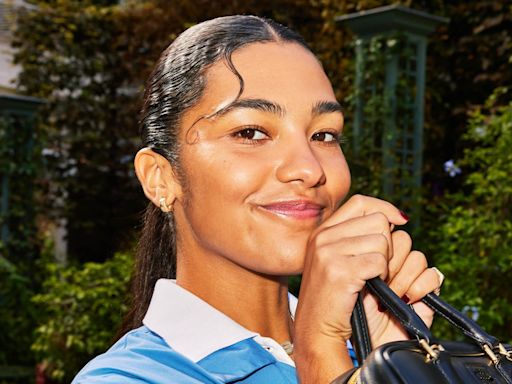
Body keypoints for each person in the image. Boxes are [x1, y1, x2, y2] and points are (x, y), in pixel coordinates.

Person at [72, 15, 443, 383]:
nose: (309, 168)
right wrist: (316, 353)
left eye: (325, 135)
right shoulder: (130, 377)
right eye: (251, 132)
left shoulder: (369, 354)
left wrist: (387, 365)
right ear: (161, 178)